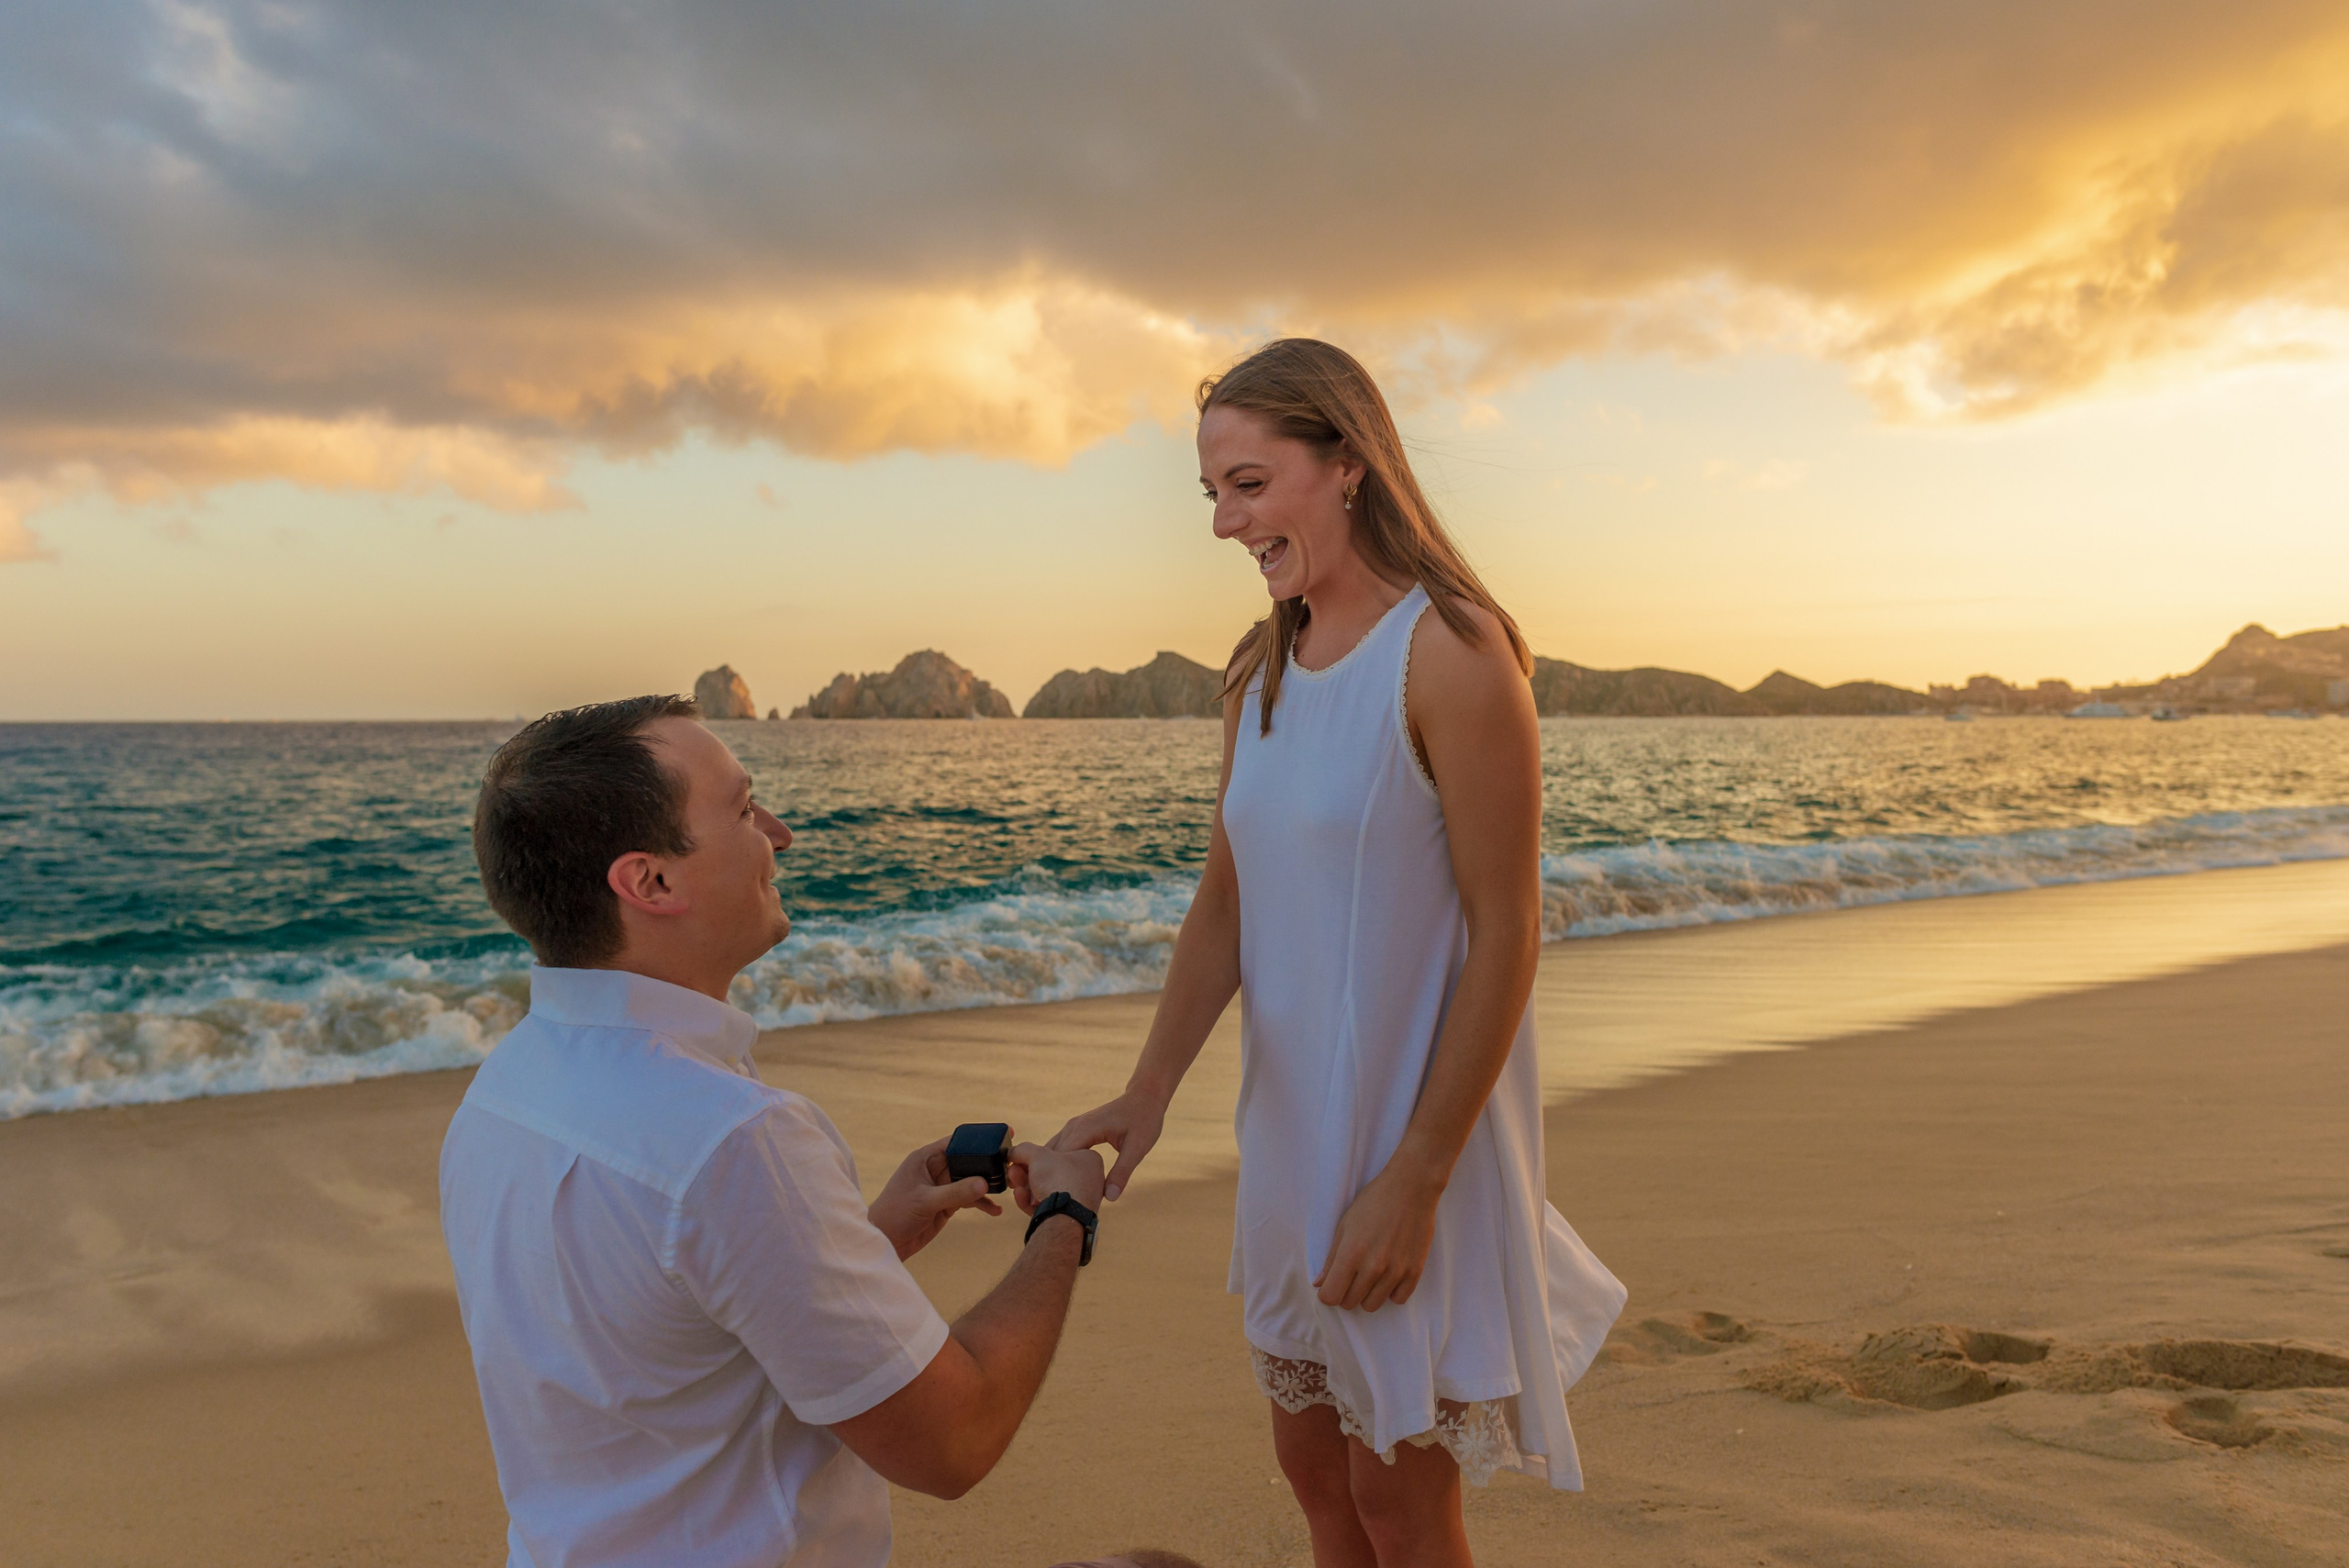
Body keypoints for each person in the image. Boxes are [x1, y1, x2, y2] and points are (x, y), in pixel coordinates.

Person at [1052, 340, 1628, 1567]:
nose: (1223, 520)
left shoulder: (1455, 656)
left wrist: (1417, 1174)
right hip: (1290, 1143)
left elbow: (1508, 932)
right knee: (1318, 1477)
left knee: (1401, 1505)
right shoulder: (1257, 671)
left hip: (1409, 1146)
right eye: (1212, 492)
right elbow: (1226, 900)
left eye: (1249, 484)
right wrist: (1148, 1092)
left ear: (1349, 465)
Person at [443, 695, 1185, 1568]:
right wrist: (1065, 1216)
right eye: (743, 808)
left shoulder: (504, 1089)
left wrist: (863, 1241)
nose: (780, 832)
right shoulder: (734, 1139)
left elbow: (663, 1346)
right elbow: (956, 1437)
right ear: (651, 882)